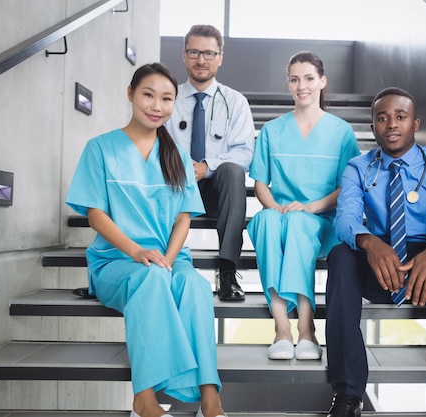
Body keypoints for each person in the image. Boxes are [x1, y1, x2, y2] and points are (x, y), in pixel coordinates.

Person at [66, 63, 227, 417]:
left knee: (195, 288)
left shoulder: (177, 156)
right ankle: (145, 397)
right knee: (151, 278)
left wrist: (169, 258)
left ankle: (210, 399)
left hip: (169, 259)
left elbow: (184, 217)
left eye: (167, 98)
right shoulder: (101, 149)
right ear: (131, 94)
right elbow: (96, 215)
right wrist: (138, 252)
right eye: (148, 95)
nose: (157, 106)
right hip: (116, 261)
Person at [325, 87, 426, 417]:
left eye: (400, 117)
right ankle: (347, 395)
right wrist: (369, 242)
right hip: (381, 262)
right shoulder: (359, 167)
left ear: (415, 124)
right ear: (372, 128)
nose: (391, 124)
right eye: (382, 118)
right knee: (341, 256)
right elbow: (346, 218)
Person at [247, 51, 360, 360]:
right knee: (267, 221)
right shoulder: (271, 130)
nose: (302, 86)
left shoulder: (341, 132)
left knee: (298, 223)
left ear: (322, 81)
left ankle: (307, 330)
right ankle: (282, 329)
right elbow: (260, 183)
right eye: (295, 79)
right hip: (281, 216)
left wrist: (310, 208)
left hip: (321, 222)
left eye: (309, 78)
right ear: (289, 84)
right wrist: (275, 208)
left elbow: (348, 186)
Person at [165, 24, 255, 302]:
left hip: (217, 191)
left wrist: (207, 166)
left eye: (208, 53)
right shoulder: (168, 98)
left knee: (232, 170)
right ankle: (159, 265)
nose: (200, 59)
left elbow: (244, 154)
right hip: (175, 188)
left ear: (220, 57)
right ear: (184, 54)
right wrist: (179, 166)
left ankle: (227, 273)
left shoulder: (235, 101)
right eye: (194, 52)